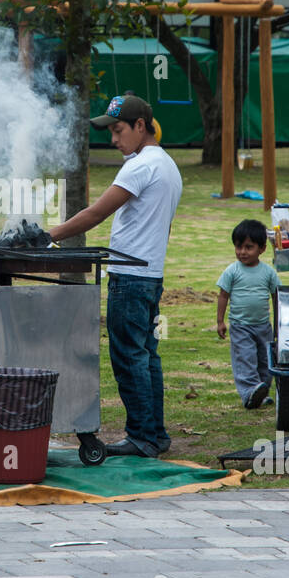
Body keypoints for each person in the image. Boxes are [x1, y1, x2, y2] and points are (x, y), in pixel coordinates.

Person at [48, 94, 183, 457]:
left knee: (129, 358)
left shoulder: (140, 166)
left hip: (129, 276)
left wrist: (49, 236)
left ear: (141, 126)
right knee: (146, 356)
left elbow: (95, 214)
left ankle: (141, 437)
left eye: (118, 130)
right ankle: (156, 435)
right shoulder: (168, 165)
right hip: (151, 274)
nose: (113, 139)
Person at [216, 219, 281, 410]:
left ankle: (260, 393)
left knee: (265, 360)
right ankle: (248, 392)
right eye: (238, 247)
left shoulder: (268, 273)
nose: (242, 252)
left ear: (262, 249)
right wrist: (220, 321)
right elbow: (223, 295)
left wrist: (279, 323)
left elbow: (277, 297)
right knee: (245, 358)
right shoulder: (232, 271)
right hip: (240, 326)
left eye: (248, 247)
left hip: (263, 326)